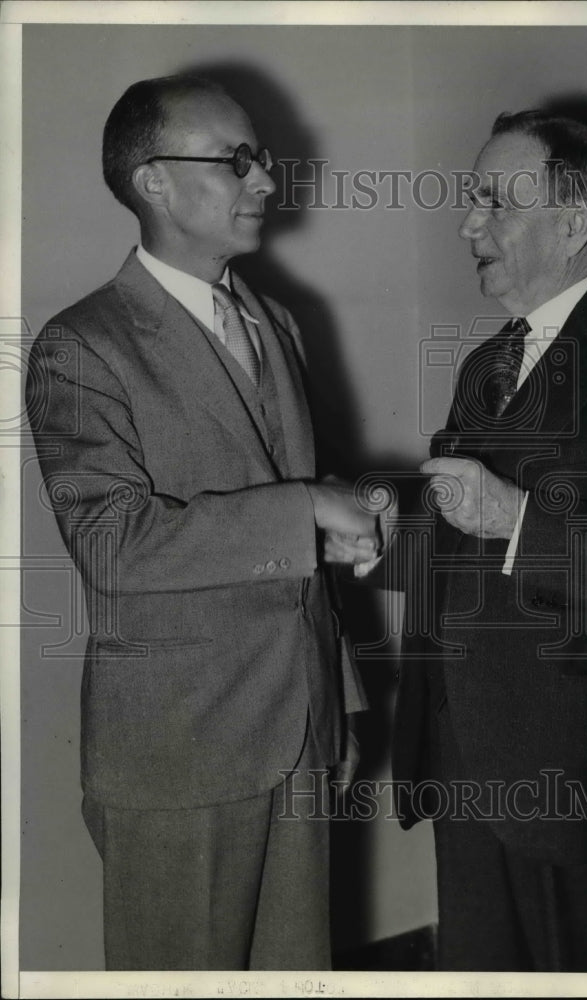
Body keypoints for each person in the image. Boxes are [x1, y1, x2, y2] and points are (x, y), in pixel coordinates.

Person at [330, 110, 587, 972]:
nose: (467, 223)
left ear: (573, 221)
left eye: (492, 201)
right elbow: (471, 546)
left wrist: (519, 518)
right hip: (470, 774)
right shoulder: (486, 364)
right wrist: (377, 545)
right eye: (469, 200)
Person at [25, 74, 378, 971]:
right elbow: (112, 543)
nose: (265, 180)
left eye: (261, 159)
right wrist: (304, 509)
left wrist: (336, 704)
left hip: (299, 730)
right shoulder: (82, 345)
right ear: (152, 180)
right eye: (237, 161)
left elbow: (288, 532)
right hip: (177, 752)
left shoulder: (279, 325)